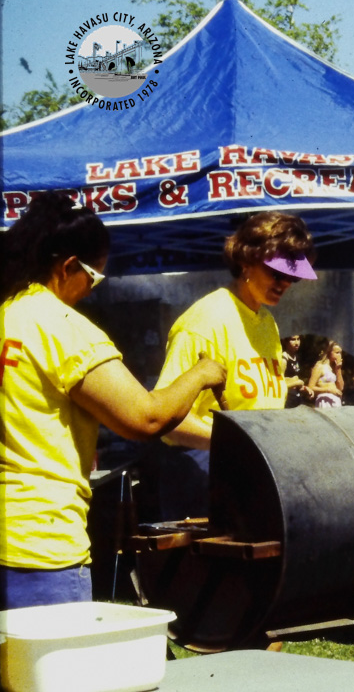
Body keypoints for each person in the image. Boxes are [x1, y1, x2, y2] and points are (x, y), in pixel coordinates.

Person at [0, 193, 226, 610]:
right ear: (68, 266)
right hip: (38, 541)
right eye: (94, 277)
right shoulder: (59, 325)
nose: (91, 290)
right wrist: (202, 373)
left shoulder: (5, 314)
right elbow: (145, 418)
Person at [154, 211, 316, 519]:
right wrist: (235, 443)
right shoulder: (205, 320)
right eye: (276, 273)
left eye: (292, 277)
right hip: (202, 470)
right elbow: (166, 418)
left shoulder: (267, 323)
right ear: (246, 260)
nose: (284, 284)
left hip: (252, 467)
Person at [309, 341, 344, 408]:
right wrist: (328, 390)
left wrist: (338, 370)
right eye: (337, 353)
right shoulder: (320, 366)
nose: (339, 355)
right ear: (329, 352)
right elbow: (311, 387)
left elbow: (341, 388)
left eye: (340, 353)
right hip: (324, 400)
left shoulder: (334, 368)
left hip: (335, 400)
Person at [282, 334, 313, 407]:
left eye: (298, 339)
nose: (297, 343)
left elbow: (295, 379)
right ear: (285, 342)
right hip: (287, 400)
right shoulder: (284, 359)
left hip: (296, 397)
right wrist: (296, 383)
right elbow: (279, 383)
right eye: (293, 340)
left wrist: (305, 388)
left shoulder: (296, 357)